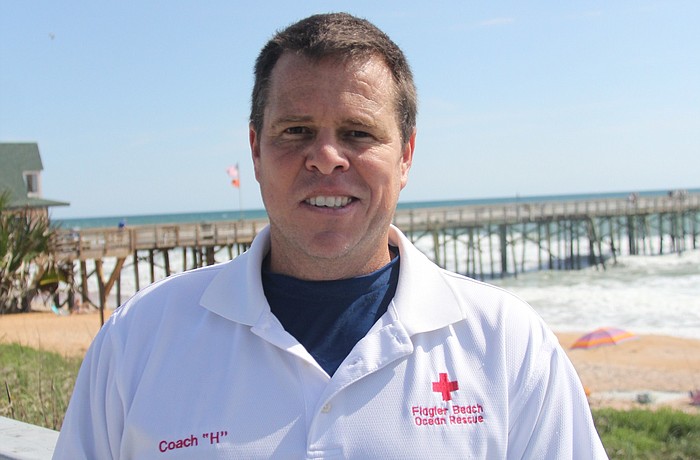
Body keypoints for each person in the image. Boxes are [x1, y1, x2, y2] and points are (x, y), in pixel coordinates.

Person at [53, 13, 607, 459]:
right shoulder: (140, 340)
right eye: (295, 131)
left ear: (406, 154)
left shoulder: (506, 345)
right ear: (255, 150)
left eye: (358, 132)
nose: (325, 158)